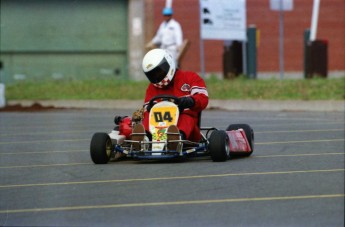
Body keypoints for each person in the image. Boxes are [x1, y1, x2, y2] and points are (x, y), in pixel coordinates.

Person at [139, 48, 209, 143]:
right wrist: (150, 107)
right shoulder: (152, 87)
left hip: (187, 129)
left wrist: (190, 101)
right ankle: (145, 137)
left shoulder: (190, 77)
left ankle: (177, 138)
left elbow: (203, 98)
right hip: (158, 128)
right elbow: (147, 105)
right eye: (152, 74)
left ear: (168, 63)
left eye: (159, 71)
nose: (157, 76)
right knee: (148, 114)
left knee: (187, 116)